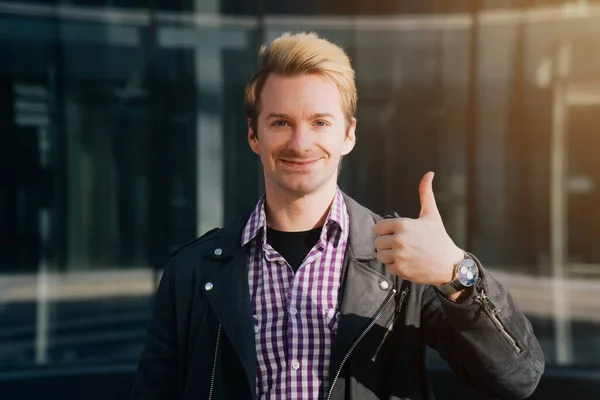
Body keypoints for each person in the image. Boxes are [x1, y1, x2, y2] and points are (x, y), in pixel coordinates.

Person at [132, 32, 544, 400]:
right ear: (253, 136)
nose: (300, 142)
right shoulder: (191, 272)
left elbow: (516, 380)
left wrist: (458, 273)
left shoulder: (404, 263)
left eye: (319, 122)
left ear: (348, 134)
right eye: (280, 122)